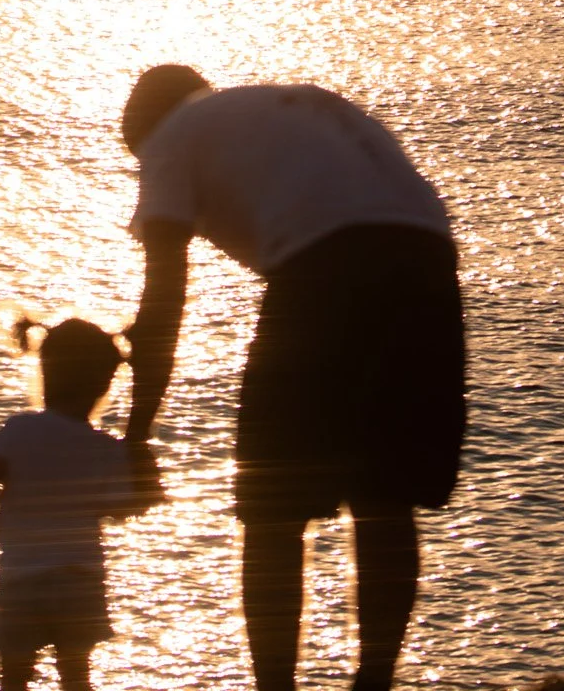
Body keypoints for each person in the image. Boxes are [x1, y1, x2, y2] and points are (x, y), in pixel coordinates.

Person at [122, 67, 466, 691]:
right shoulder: (283, 109)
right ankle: (376, 682)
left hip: (325, 264)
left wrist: (137, 434)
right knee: (383, 493)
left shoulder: (167, 136)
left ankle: (274, 686)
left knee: (271, 501)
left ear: (143, 129)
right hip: (429, 260)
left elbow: (165, 295)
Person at [0, 318, 160, 691]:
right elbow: (122, 508)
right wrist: (144, 471)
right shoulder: (105, 448)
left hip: (22, 579)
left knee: (14, 674)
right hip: (79, 580)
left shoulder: (19, 429)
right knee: (75, 676)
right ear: (104, 384)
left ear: (47, 375)